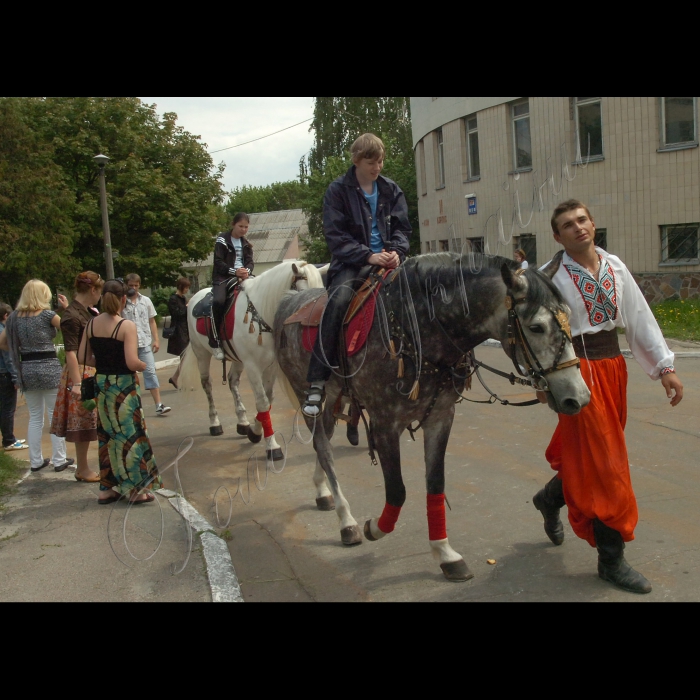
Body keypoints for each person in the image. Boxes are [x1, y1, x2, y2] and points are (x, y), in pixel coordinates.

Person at [533, 199, 684, 594]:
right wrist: (541, 380)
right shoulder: (548, 276)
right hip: (575, 375)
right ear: (557, 236)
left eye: (582, 219)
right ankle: (611, 559)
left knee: (590, 459)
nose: (578, 227)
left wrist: (664, 367)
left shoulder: (614, 266)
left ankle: (550, 500)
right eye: (568, 224)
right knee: (607, 466)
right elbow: (536, 335)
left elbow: (638, 318)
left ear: (593, 224)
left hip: (613, 368)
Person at [302, 133, 411, 416]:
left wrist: (397, 250)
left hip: (388, 260)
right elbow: (335, 237)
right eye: (372, 162)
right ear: (356, 160)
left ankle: (414, 367)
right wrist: (368, 255)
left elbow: (402, 229)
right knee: (337, 302)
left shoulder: (391, 189)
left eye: (380, 161)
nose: (378, 167)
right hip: (352, 263)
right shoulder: (338, 191)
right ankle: (317, 381)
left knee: (419, 294)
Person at [79, 279, 161, 505]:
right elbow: (132, 362)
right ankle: (136, 490)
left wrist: (103, 360)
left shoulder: (90, 324)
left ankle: (106, 489)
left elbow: (83, 358)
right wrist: (145, 366)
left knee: (108, 435)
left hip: (102, 385)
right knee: (131, 436)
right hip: (123, 386)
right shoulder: (126, 326)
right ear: (123, 299)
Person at [0, 280, 73, 472]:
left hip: (27, 368)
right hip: (49, 366)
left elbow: (2, 343)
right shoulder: (48, 315)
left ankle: (35, 461)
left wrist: (20, 347)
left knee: (35, 417)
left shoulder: (15, 317)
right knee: (54, 415)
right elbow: (70, 330)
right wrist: (67, 310)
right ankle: (59, 459)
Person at [50, 272, 103, 483]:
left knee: (88, 422)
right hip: (80, 372)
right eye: (99, 291)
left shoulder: (80, 311)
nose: (100, 296)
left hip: (86, 370)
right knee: (82, 422)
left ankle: (84, 467)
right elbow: (71, 351)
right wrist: (78, 383)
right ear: (93, 290)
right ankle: (82, 468)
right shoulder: (73, 315)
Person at [121, 273, 171, 416]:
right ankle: (129, 406)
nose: (133, 288)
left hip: (144, 343)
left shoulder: (146, 301)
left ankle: (159, 404)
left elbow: (151, 321)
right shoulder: (122, 302)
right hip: (128, 345)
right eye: (130, 286)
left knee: (150, 372)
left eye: (136, 286)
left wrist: (156, 339)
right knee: (128, 375)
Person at [212, 212, 254, 361]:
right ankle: (215, 341)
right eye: (240, 226)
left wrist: (246, 272)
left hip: (243, 276)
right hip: (223, 278)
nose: (243, 229)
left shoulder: (246, 244)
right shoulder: (222, 240)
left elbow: (250, 262)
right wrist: (235, 272)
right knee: (218, 301)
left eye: (246, 227)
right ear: (233, 225)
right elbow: (218, 262)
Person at [0, 303, 27, 452]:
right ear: (6, 316)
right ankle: (9, 440)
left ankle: (9, 436)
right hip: (5, 374)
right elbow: (8, 358)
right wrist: (16, 378)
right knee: (8, 409)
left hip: (1, 373)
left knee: (4, 408)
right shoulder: (3, 332)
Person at [166, 277, 191, 388]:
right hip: (178, 330)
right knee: (185, 357)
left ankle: (175, 378)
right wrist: (187, 307)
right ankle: (183, 381)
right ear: (181, 287)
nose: (187, 289)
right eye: (186, 287)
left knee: (186, 357)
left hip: (186, 329)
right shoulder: (173, 299)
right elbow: (177, 314)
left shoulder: (183, 298)